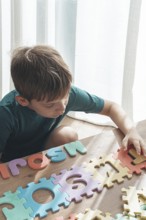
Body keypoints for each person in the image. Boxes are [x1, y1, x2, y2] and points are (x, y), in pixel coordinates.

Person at [0, 45, 145, 162]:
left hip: (43, 148)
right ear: (23, 101)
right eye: (50, 105)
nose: (62, 108)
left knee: (67, 134)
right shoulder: (6, 113)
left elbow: (111, 107)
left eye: (65, 98)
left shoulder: (66, 93)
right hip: (12, 161)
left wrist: (131, 131)